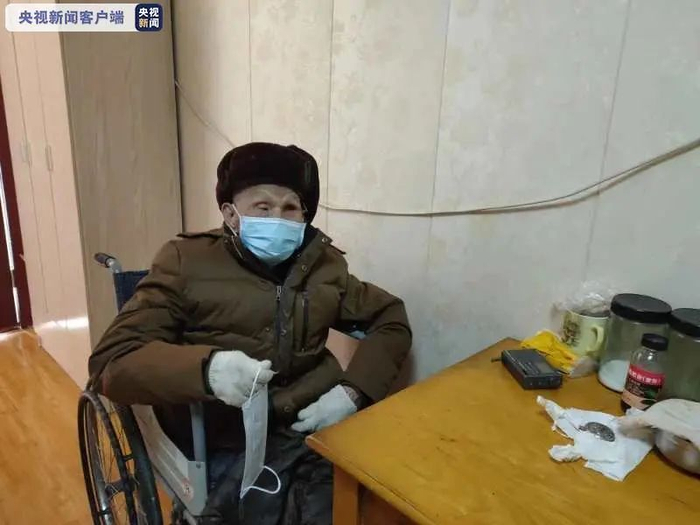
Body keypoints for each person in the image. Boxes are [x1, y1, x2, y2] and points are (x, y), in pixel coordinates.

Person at [88, 142, 412, 523]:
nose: (279, 218)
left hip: (315, 421)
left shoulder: (324, 265)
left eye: (291, 208)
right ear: (231, 213)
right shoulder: (186, 262)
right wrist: (208, 370)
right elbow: (112, 360)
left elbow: (390, 317)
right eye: (263, 207)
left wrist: (351, 393)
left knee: (381, 502)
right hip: (226, 434)